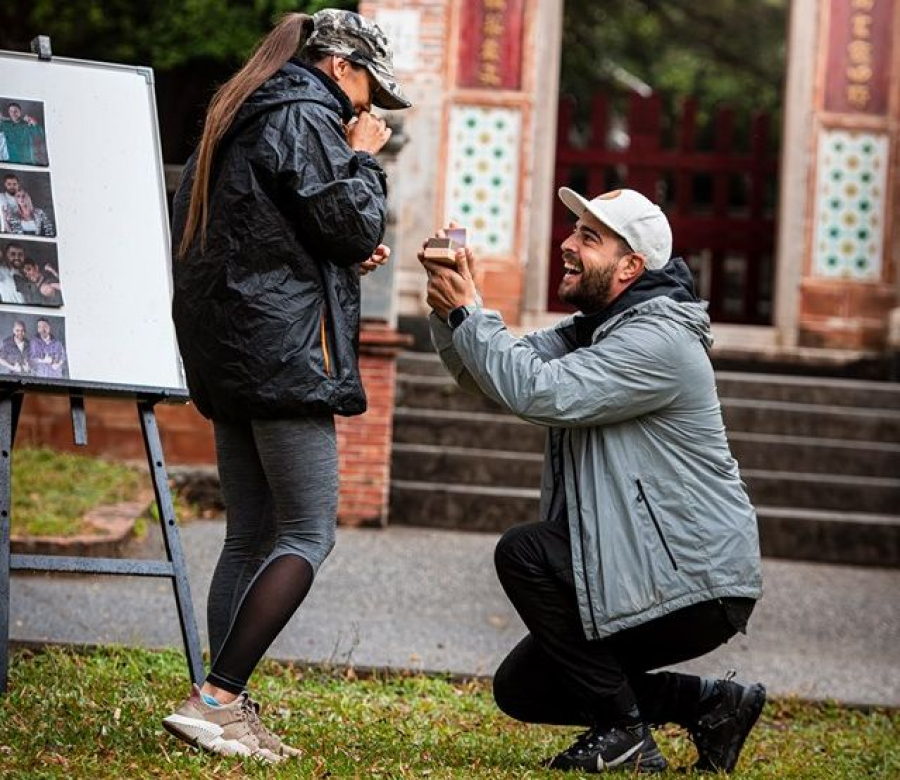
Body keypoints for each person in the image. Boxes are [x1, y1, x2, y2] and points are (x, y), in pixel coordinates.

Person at [420, 188, 765, 775]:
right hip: (640, 568)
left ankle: (625, 738)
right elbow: (492, 376)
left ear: (631, 266)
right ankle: (711, 704)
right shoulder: (597, 328)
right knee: (524, 688)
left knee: (525, 552)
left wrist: (468, 312)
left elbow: (539, 391)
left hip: (694, 579)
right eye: (574, 230)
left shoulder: (656, 341)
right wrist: (452, 309)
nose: (567, 244)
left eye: (589, 237)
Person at [164, 8, 410, 764]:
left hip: (229, 350)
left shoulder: (242, 110)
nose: (371, 110)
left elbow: (280, 230)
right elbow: (352, 223)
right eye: (370, 88)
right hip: (281, 355)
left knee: (250, 533)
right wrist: (364, 159)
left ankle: (219, 702)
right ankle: (217, 697)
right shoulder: (309, 113)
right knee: (308, 532)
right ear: (340, 64)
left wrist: (340, 249)